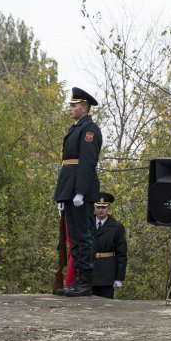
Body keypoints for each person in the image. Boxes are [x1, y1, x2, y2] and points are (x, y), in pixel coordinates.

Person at [53, 87, 103, 297]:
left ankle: (84, 282)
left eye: (74, 105)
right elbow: (68, 165)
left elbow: (86, 163)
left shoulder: (89, 129)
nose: (70, 108)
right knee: (74, 237)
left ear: (84, 107)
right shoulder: (76, 128)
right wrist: (62, 195)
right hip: (69, 188)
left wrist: (80, 192)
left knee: (84, 237)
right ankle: (76, 282)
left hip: (79, 190)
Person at [91, 192, 127, 299]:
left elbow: (122, 254)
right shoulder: (87, 224)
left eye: (104, 207)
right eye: (98, 207)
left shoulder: (117, 227)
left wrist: (119, 278)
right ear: (94, 207)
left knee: (106, 308)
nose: (101, 210)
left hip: (107, 274)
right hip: (89, 272)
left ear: (109, 208)